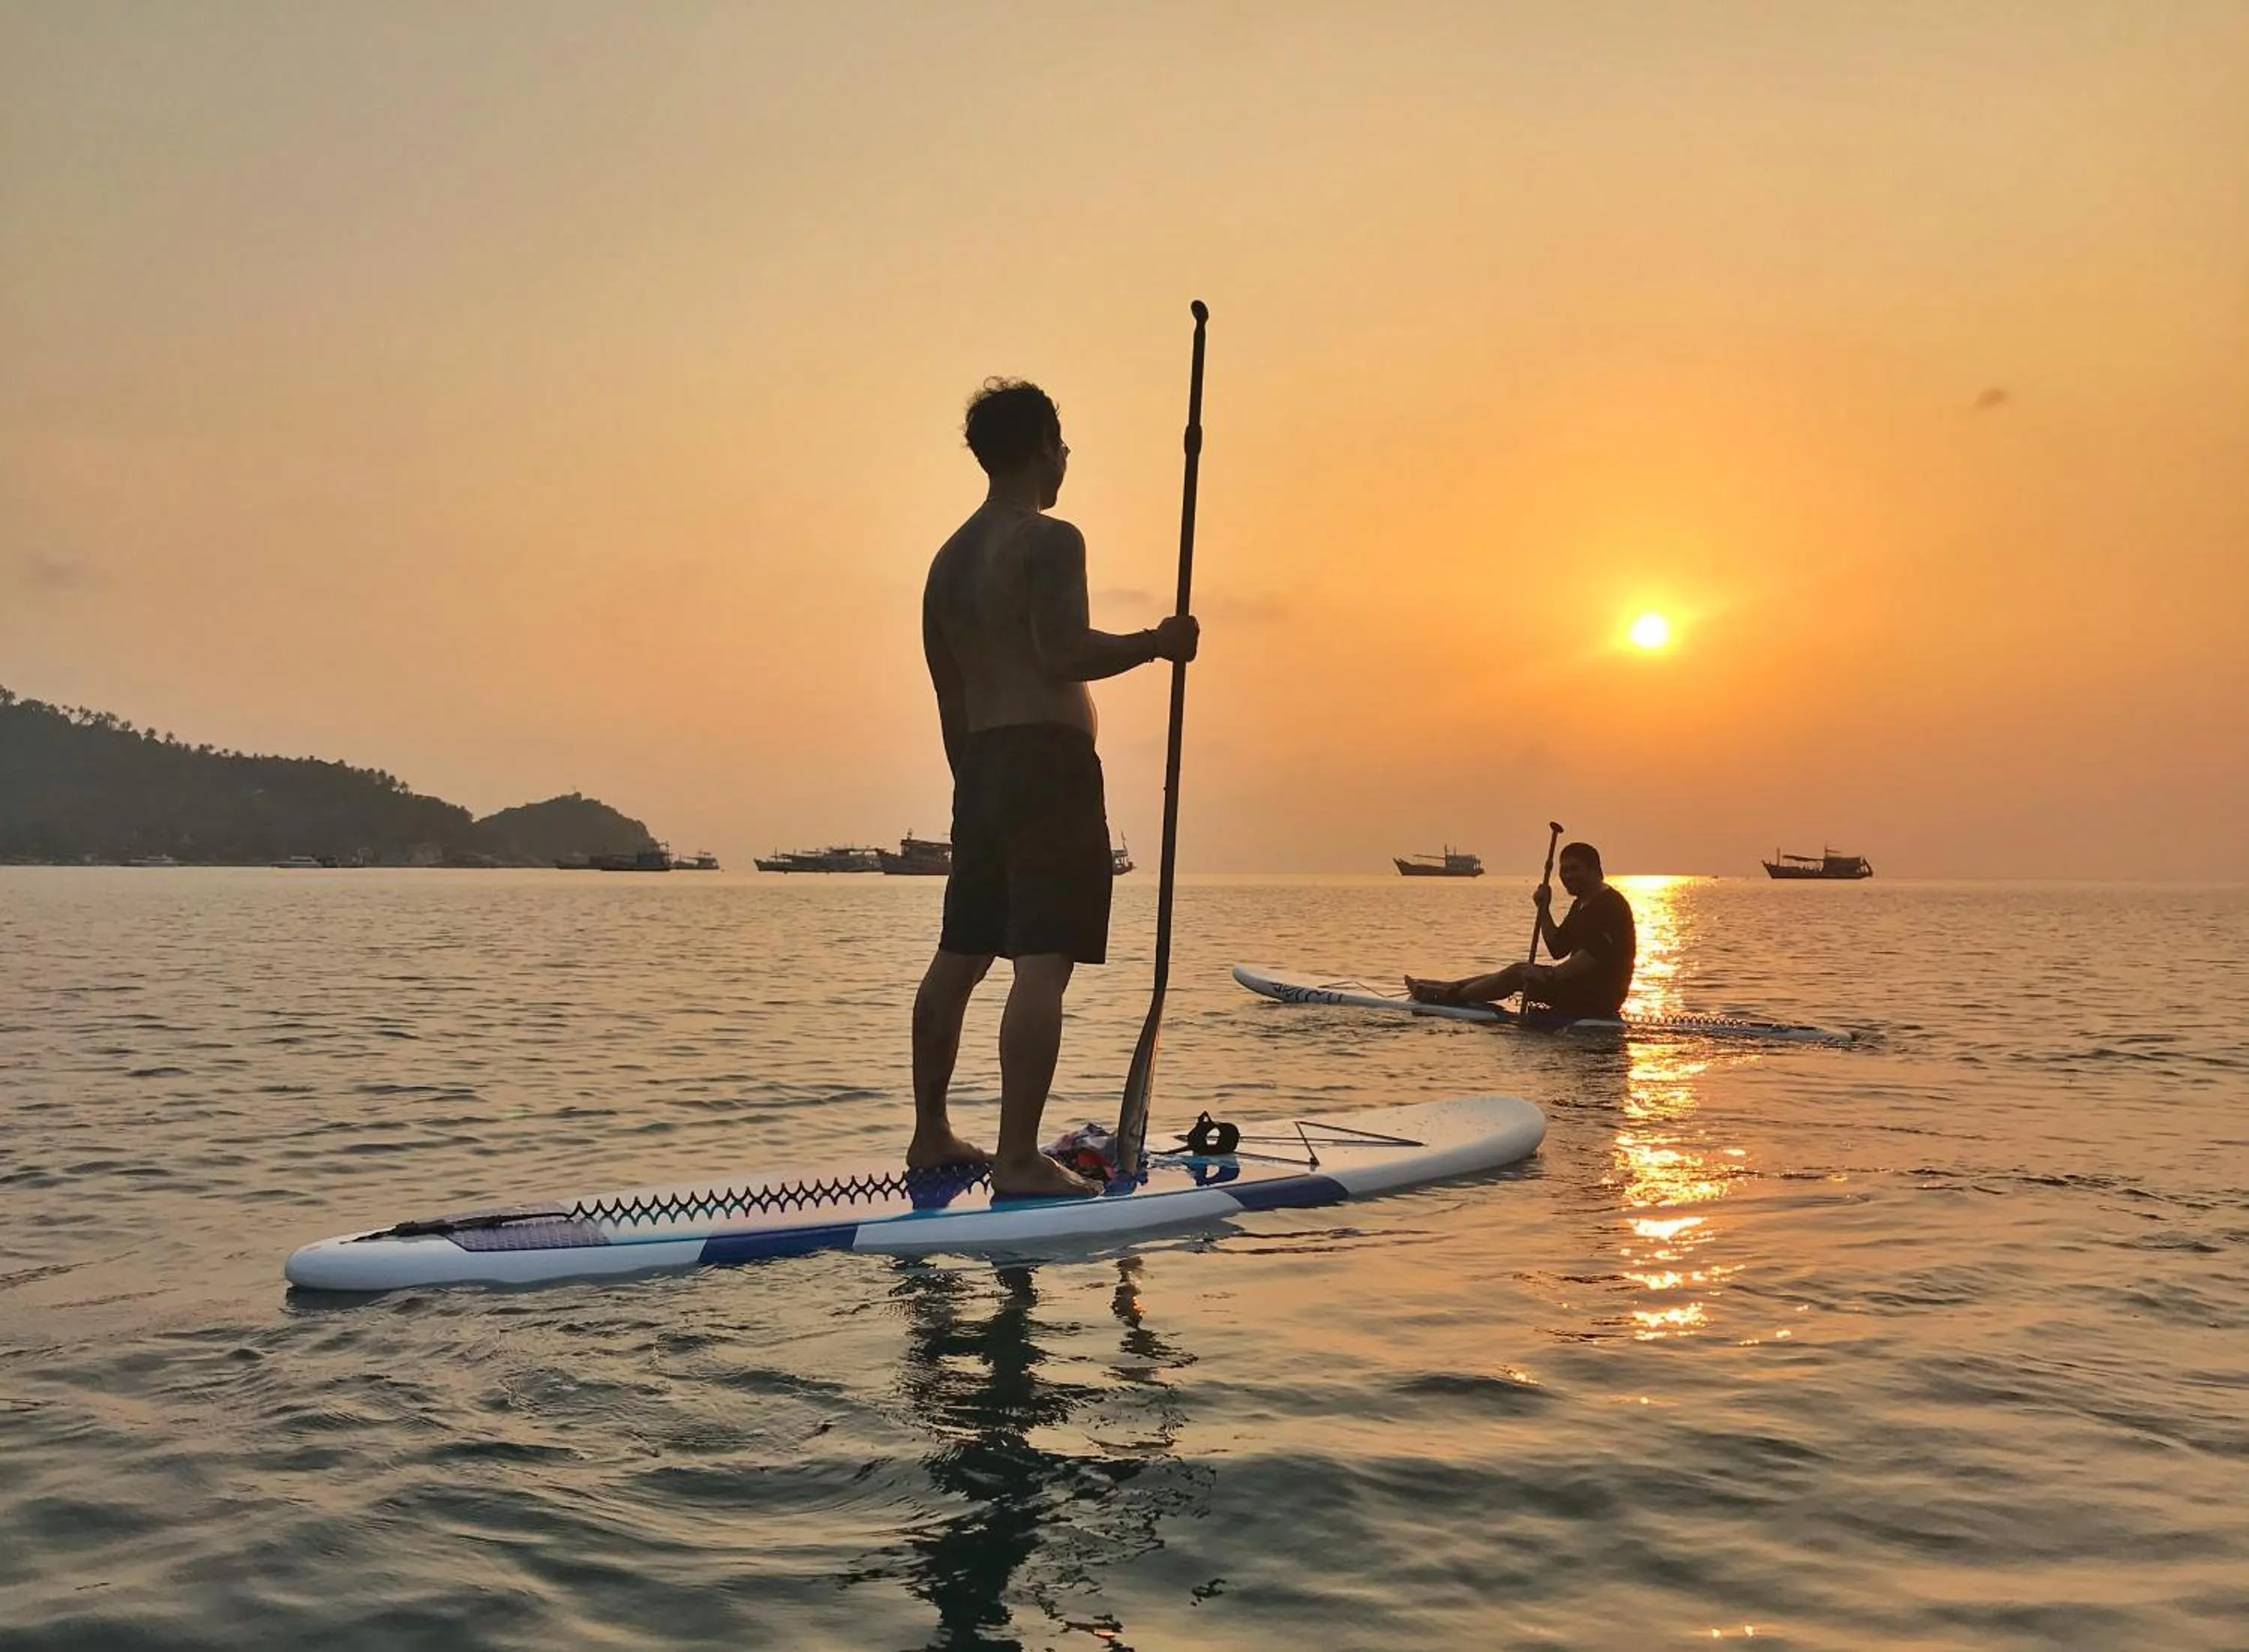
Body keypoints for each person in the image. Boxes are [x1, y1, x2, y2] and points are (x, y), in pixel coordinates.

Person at [909, 379, 1200, 1198]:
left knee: (961, 953)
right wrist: (1157, 641)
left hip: (979, 767)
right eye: (1064, 443)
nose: (1067, 457)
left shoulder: (946, 563)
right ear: (1042, 443)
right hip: (1049, 767)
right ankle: (1016, 1157)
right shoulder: (1049, 539)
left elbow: (950, 694)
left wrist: (972, 780)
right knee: (1042, 963)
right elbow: (1062, 651)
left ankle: (930, 1131)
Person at [1405, 840, 1636, 1019]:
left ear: (1596, 870)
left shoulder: (1610, 906)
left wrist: (1548, 976)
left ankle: (1449, 996)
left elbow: (1592, 957)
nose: (1568, 876)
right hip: (1577, 985)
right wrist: (1543, 909)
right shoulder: (1582, 903)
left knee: (1519, 973)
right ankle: (1449, 987)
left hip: (1597, 997)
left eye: (1575, 869)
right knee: (1517, 971)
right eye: (1564, 871)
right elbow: (1558, 948)